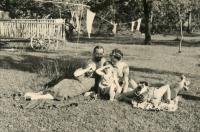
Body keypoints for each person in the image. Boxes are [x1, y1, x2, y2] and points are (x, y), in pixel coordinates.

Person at [25, 46, 106, 100]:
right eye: (97, 53)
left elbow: (103, 77)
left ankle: (35, 97)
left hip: (85, 84)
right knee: (63, 82)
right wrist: (87, 69)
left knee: (63, 91)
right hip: (76, 81)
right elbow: (76, 74)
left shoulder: (103, 62)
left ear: (103, 53)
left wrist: (94, 91)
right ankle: (37, 94)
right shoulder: (90, 61)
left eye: (101, 53)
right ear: (94, 53)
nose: (99, 55)